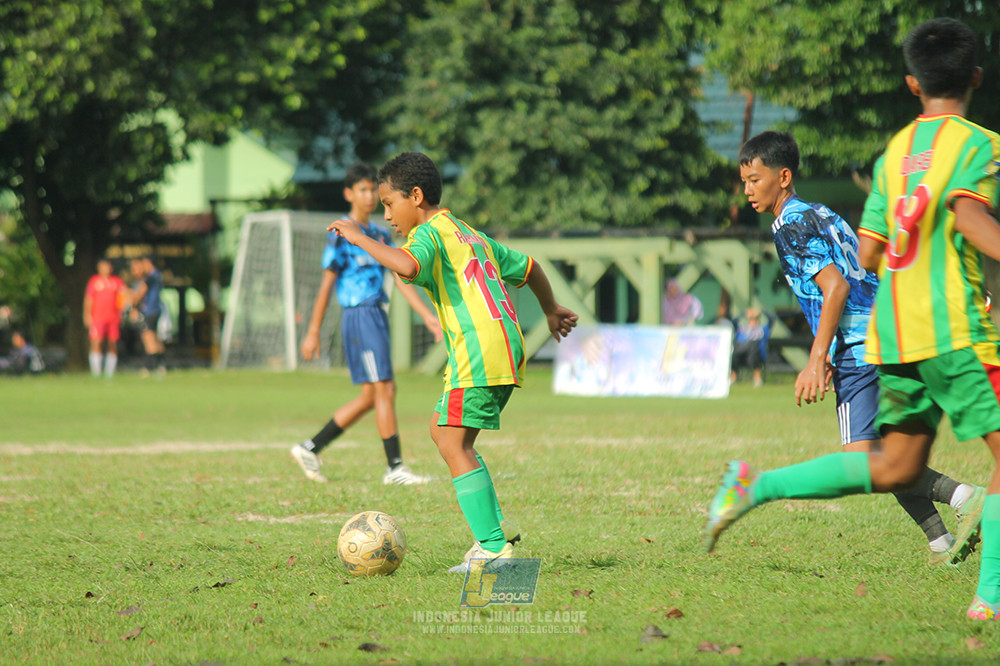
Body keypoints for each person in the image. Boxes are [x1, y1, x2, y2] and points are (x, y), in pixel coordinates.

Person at [705, 19, 1000, 620]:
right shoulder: (975, 144)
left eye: (754, 179)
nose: (749, 190)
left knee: (885, 460)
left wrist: (820, 354)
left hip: (889, 335)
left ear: (912, 83)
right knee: (897, 458)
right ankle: (981, 581)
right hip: (939, 324)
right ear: (975, 76)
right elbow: (952, 229)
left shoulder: (893, 155)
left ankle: (759, 487)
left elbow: (860, 261)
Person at [329, 152, 578, 572]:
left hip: (479, 350)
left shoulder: (429, 234)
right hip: (502, 346)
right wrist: (550, 308)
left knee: (450, 440)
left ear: (417, 196)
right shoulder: (470, 234)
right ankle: (496, 522)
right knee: (443, 432)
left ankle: (493, 547)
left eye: (390, 204)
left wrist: (360, 237)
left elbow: (406, 264)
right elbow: (531, 267)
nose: (386, 214)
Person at [292, 163, 444, 486]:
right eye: (362, 189)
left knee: (370, 396)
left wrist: (427, 313)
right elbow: (327, 283)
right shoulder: (342, 234)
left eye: (373, 189)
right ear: (349, 194)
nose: (370, 196)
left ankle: (310, 448)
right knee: (386, 388)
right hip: (359, 315)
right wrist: (313, 330)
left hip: (376, 313)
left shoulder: (377, 234)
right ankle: (395, 468)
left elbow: (400, 276)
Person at [83, 258, 127, 378]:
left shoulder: (117, 282)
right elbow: (89, 299)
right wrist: (87, 314)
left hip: (113, 318)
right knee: (96, 342)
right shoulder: (94, 282)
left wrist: (124, 311)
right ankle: (96, 372)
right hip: (98, 317)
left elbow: (123, 298)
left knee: (112, 343)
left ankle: (109, 372)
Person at [129, 256, 166, 377]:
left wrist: (133, 304)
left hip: (150, 311)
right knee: (155, 338)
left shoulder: (150, 277)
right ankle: (161, 365)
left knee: (148, 338)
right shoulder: (157, 275)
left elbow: (140, 293)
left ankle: (150, 366)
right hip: (155, 310)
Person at [730, 306, 770, 387]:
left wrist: (761, 311)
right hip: (741, 353)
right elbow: (733, 321)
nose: (753, 321)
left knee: (753, 345)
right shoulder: (743, 329)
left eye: (755, 319)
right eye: (751, 319)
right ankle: (733, 377)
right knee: (734, 351)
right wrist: (744, 313)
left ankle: (757, 378)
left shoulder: (762, 329)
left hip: (756, 353)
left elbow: (772, 319)